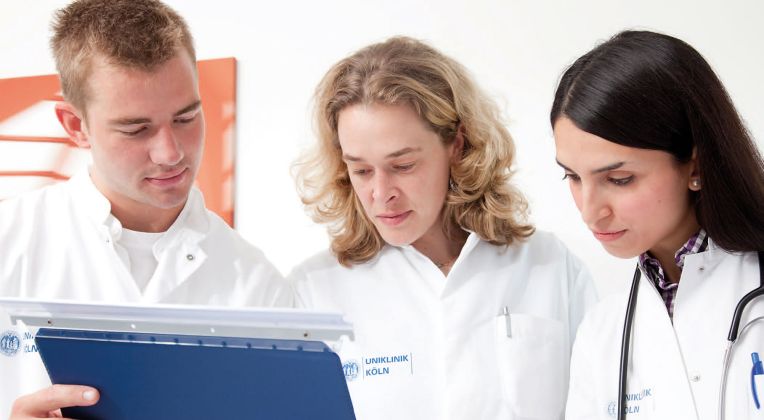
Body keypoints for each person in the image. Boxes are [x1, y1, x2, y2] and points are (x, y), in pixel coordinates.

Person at [1, 0, 291, 418]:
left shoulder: (258, 287)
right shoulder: (8, 244)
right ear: (76, 127)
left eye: (187, 117)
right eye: (137, 129)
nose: (171, 153)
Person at [290, 36, 597, 420]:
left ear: (456, 144)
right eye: (361, 170)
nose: (381, 194)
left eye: (402, 166)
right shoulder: (313, 292)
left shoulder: (550, 266)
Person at [551, 30, 764, 419]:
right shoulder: (603, 336)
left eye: (619, 179)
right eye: (573, 177)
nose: (589, 211)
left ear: (695, 166)